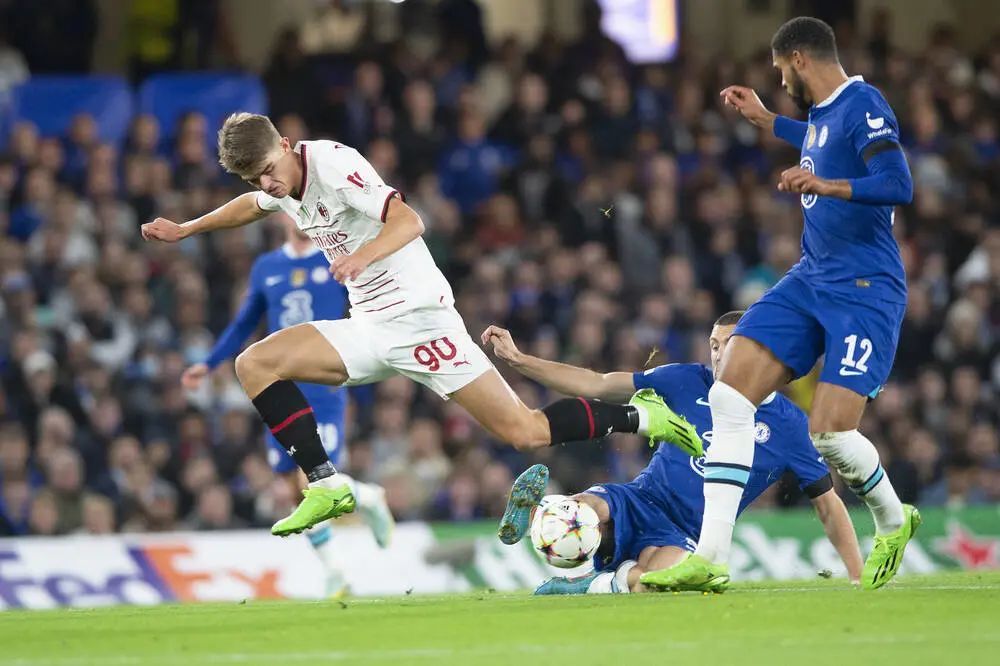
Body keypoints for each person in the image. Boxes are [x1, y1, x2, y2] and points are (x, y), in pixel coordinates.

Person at [141, 113, 701, 538]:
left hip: (420, 320)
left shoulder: (333, 165)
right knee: (255, 363)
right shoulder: (276, 188)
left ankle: (639, 416)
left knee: (524, 432)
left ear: (285, 144)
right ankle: (326, 483)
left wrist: (360, 258)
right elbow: (252, 206)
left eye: (269, 170)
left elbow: (411, 220)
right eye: (255, 177)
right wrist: (187, 229)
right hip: (368, 326)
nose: (267, 184)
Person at [646, 17, 918, 592]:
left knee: (830, 436)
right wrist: (768, 120)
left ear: (798, 59)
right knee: (728, 395)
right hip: (811, 277)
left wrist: (827, 186)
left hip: (864, 289)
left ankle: (894, 519)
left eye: (778, 71)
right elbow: (818, 141)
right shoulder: (824, 115)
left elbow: (898, 183)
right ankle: (711, 555)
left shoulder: (864, 103)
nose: (780, 80)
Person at [484, 312, 863, 594]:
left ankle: (589, 585)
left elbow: (827, 504)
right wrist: (520, 360)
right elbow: (598, 383)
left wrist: (857, 576)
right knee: (579, 513)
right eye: (714, 345)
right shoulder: (687, 379)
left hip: (685, 533)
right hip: (640, 499)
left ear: (757, 350)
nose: (718, 355)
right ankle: (539, 513)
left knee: (658, 584)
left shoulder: (789, 425)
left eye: (729, 345)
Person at [180, 213, 393, 596]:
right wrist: (209, 364)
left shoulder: (335, 257)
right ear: (280, 215)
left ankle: (356, 527)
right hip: (280, 387)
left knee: (311, 478)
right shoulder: (267, 266)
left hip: (324, 386)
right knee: (290, 488)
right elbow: (245, 322)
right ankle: (347, 543)